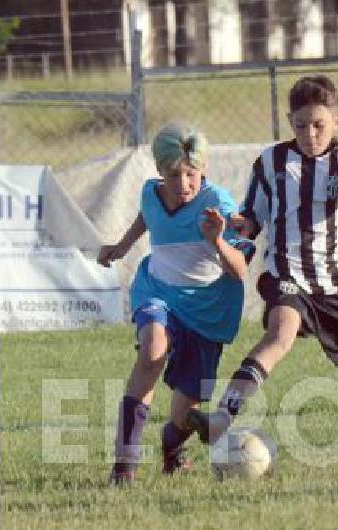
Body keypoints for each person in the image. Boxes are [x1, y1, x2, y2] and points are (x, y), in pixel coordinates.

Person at [185, 75, 338, 460]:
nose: (310, 134)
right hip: (286, 274)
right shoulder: (271, 162)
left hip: (337, 280)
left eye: (319, 125)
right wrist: (231, 228)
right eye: (300, 125)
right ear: (289, 120)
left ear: (336, 121)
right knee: (281, 335)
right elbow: (252, 219)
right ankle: (220, 419)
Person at [98, 122, 254, 485]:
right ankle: (125, 464)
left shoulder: (218, 204)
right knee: (152, 349)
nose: (183, 184)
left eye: (191, 174)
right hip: (158, 290)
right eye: (173, 175)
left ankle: (174, 449)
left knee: (186, 413)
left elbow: (240, 270)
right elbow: (146, 216)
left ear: (204, 171)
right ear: (159, 171)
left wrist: (218, 240)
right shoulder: (151, 193)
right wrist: (122, 246)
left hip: (206, 311)